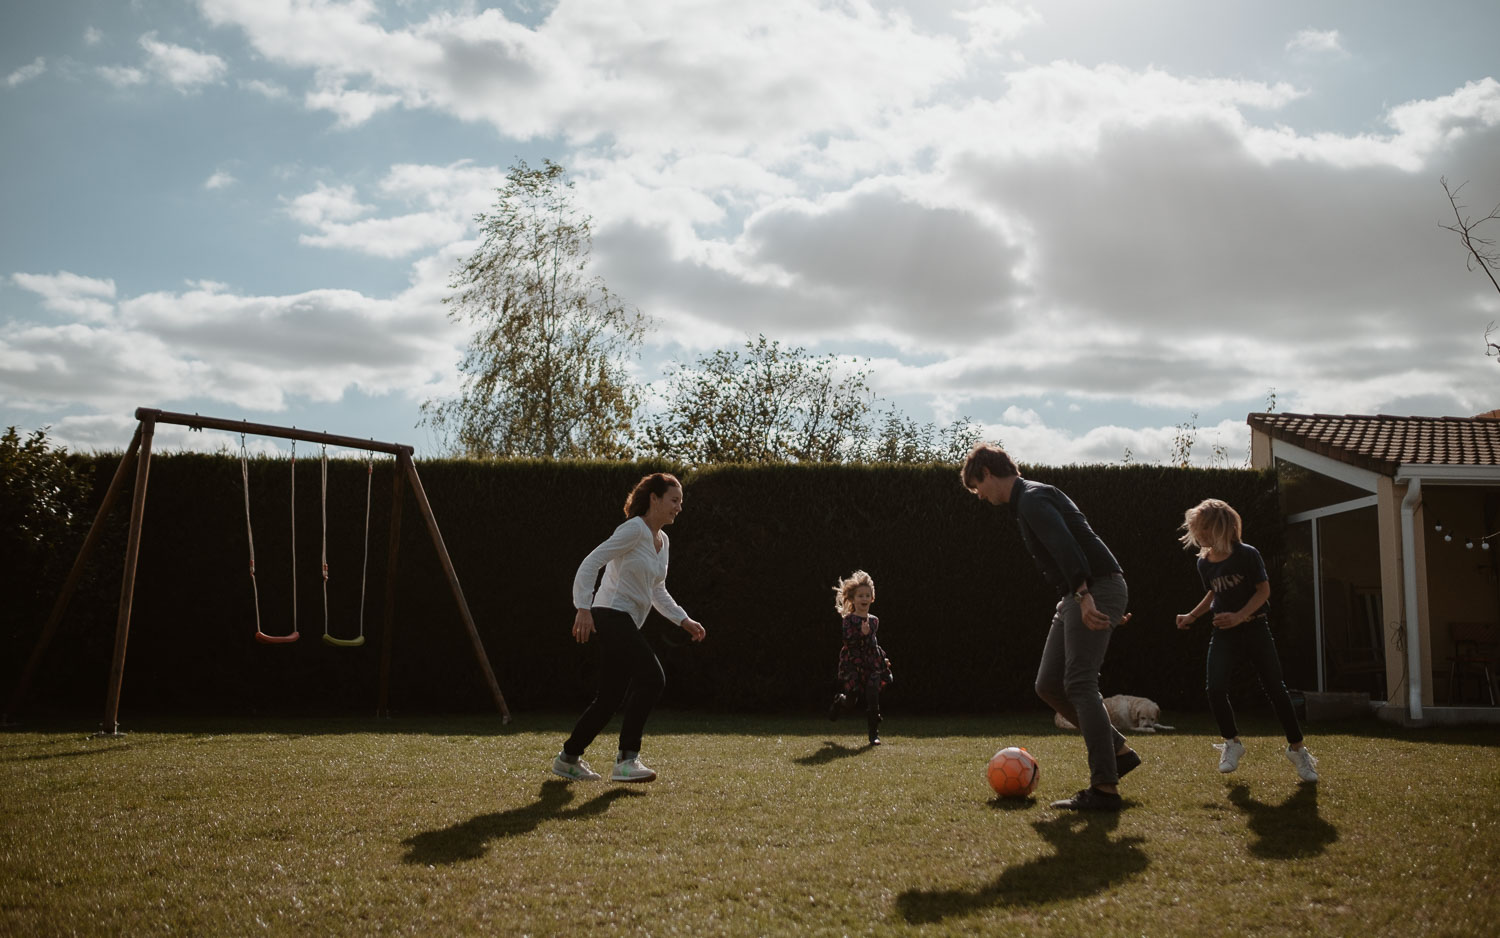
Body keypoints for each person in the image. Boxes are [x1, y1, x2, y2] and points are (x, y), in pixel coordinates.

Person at [961, 443, 1138, 811]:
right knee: (1048, 684)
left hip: (1090, 587)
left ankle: (1104, 788)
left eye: (978, 488)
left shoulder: (1032, 499)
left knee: (1079, 682)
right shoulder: (1032, 498)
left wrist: (1089, 596)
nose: (980, 497)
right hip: (1084, 592)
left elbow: (1067, 547)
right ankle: (1117, 751)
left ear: (988, 474)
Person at [552, 472, 706, 783]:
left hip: (625, 621)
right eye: (674, 500)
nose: (679, 507)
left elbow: (656, 589)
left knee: (609, 698)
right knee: (652, 678)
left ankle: (568, 758)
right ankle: (627, 759)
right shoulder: (633, 530)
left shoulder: (663, 542)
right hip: (610, 614)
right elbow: (591, 562)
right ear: (655, 499)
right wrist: (583, 607)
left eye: (681, 502)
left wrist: (683, 619)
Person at [1176, 498, 1318, 783]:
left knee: (1276, 690)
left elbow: (1263, 592)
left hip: (1255, 628)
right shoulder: (1204, 564)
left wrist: (1240, 616)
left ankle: (1297, 749)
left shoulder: (1247, 555)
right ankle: (1232, 743)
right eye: (1195, 529)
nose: (1198, 535)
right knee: (1215, 688)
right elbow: (1215, 593)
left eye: (1202, 529)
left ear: (1219, 527)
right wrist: (1192, 615)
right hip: (1223, 632)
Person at [827, 569, 893, 746]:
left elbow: (874, 643)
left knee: (873, 693)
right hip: (853, 663)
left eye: (867, 595)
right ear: (853, 599)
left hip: (871, 663)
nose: (864, 599)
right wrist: (861, 634)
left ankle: (874, 734)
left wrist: (882, 659)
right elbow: (849, 641)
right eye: (860, 596)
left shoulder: (874, 621)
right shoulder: (848, 620)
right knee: (852, 699)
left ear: (872, 598)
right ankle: (840, 700)